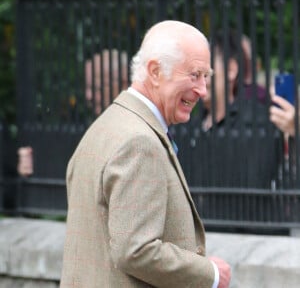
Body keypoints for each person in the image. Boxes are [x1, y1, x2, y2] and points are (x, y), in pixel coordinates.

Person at [60, 20, 231, 288]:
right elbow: (136, 250)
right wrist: (210, 274)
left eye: (206, 77)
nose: (203, 90)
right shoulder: (139, 142)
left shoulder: (105, 126)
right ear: (154, 71)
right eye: (194, 75)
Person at [191, 29, 281, 189]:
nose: (197, 78)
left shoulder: (258, 121)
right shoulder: (187, 127)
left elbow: (255, 185)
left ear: (231, 69)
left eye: (205, 69)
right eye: (194, 71)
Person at [17, 49, 128, 177]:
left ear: (123, 84)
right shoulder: (77, 124)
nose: (88, 95)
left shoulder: (135, 126)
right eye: (87, 87)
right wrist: (24, 168)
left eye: (96, 88)